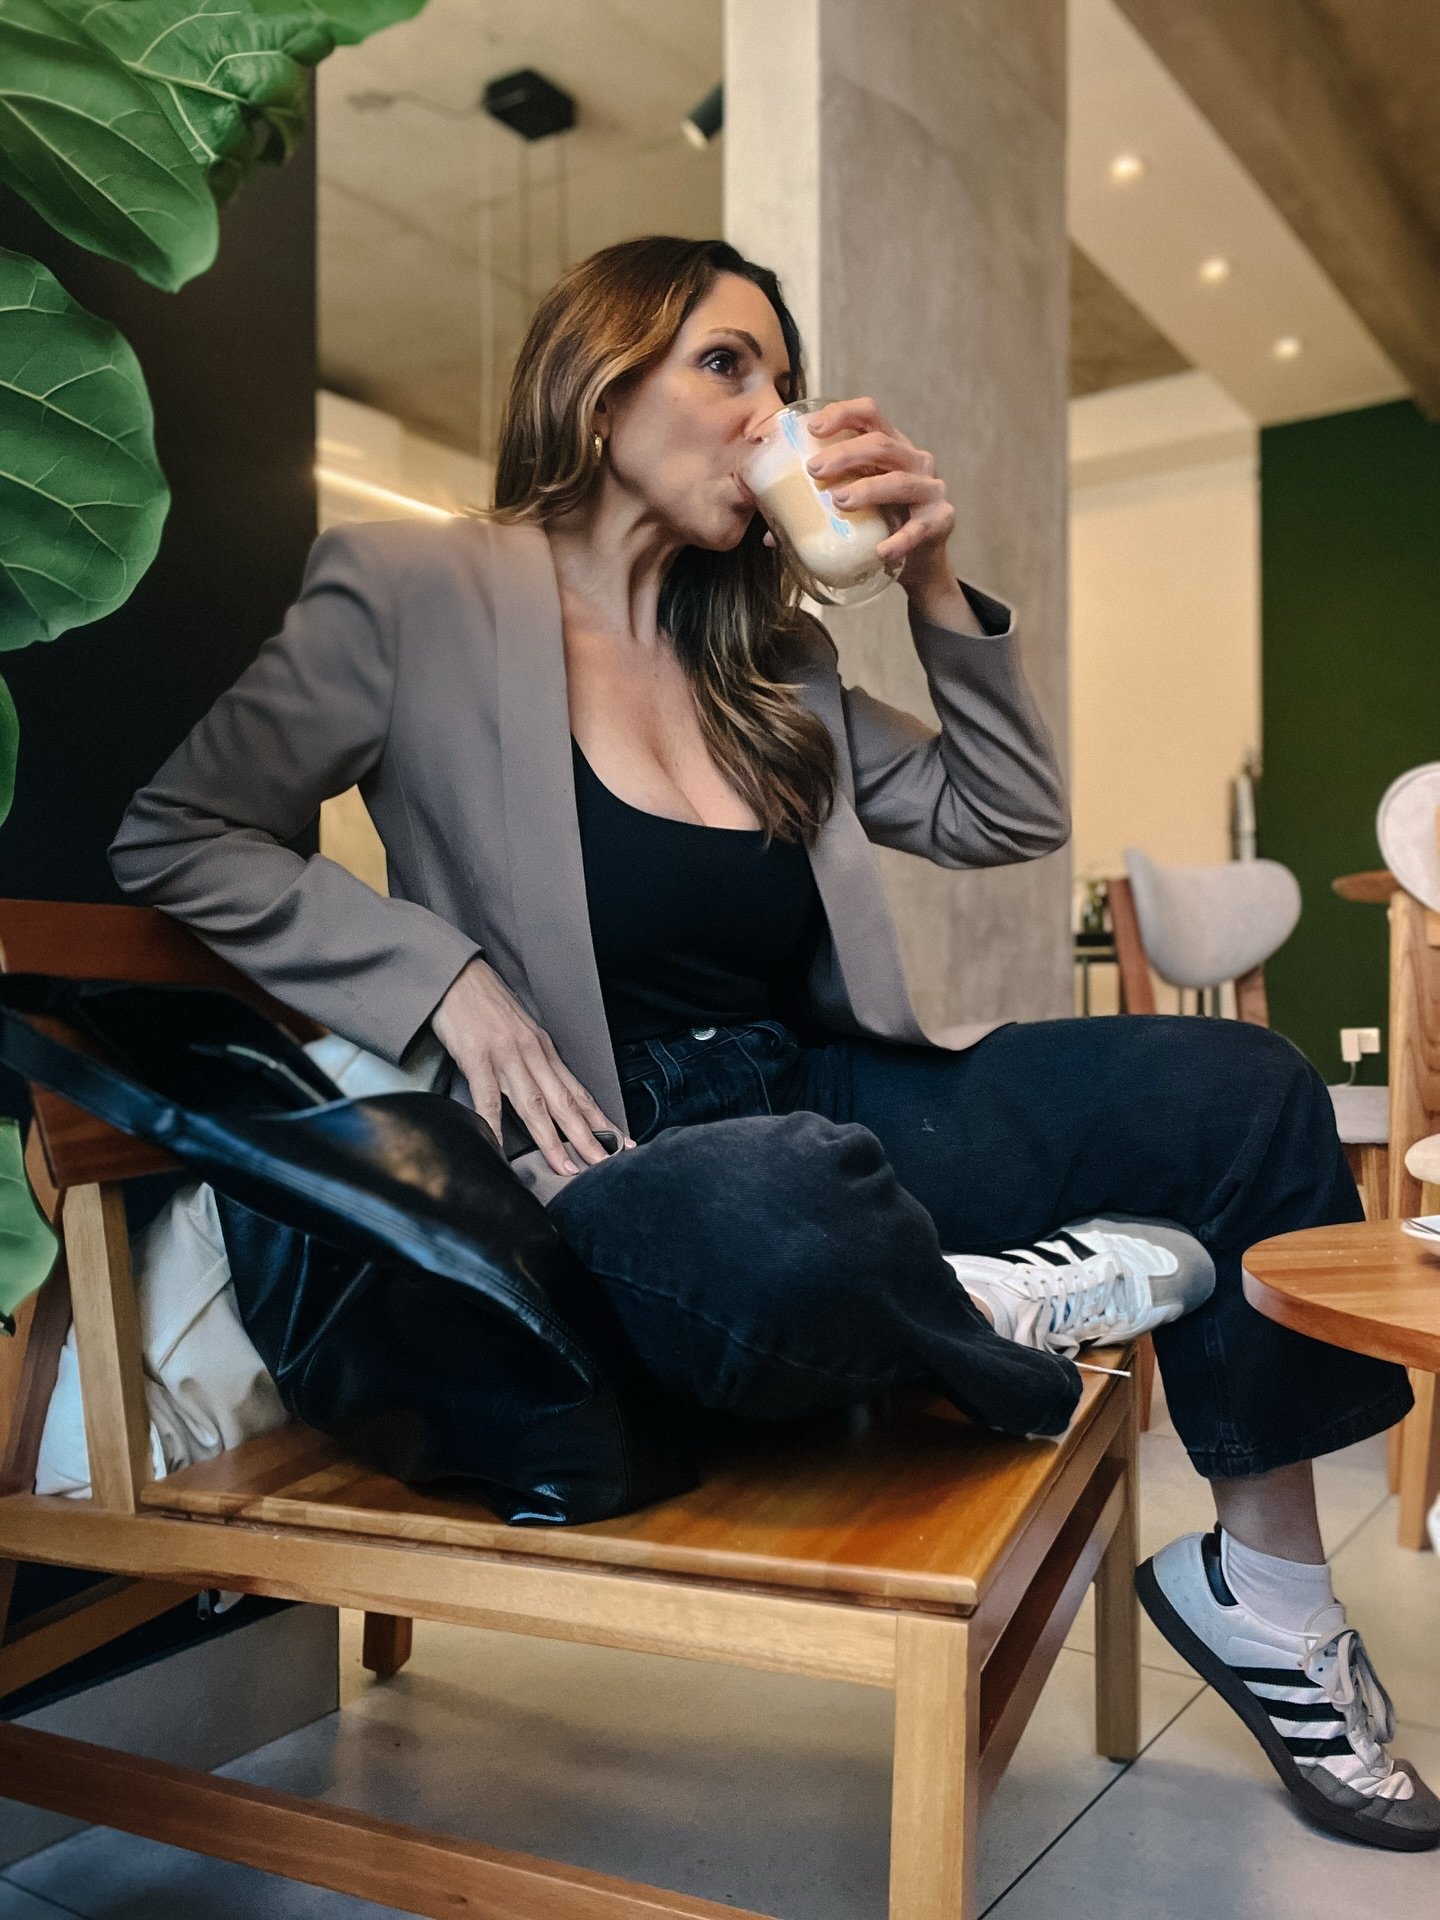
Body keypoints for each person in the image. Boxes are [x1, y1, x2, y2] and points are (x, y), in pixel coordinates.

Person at [110, 236, 1434, 1850]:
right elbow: (182, 833)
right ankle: (981, 1304)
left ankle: (1268, 1599)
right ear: (602, 379)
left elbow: (1004, 813)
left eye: (785, 383)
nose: (773, 414)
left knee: (1244, 1090)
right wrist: (438, 975)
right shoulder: (413, 595)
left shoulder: (771, 658)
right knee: (768, 1214)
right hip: (614, 1153)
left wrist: (935, 582)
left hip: (821, 1097)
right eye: (728, 364)